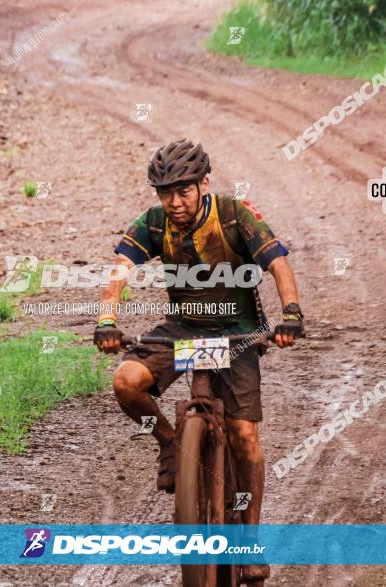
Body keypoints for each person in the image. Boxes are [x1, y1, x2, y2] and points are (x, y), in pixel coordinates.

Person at [94, 139, 304, 584]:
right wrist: (107, 319)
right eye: (165, 193)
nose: (174, 202)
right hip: (183, 328)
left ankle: (249, 538)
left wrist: (291, 314)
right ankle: (171, 443)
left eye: (183, 191)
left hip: (238, 333)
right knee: (126, 382)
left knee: (245, 436)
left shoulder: (233, 214)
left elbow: (278, 264)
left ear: (203, 184)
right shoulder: (155, 223)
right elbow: (119, 268)